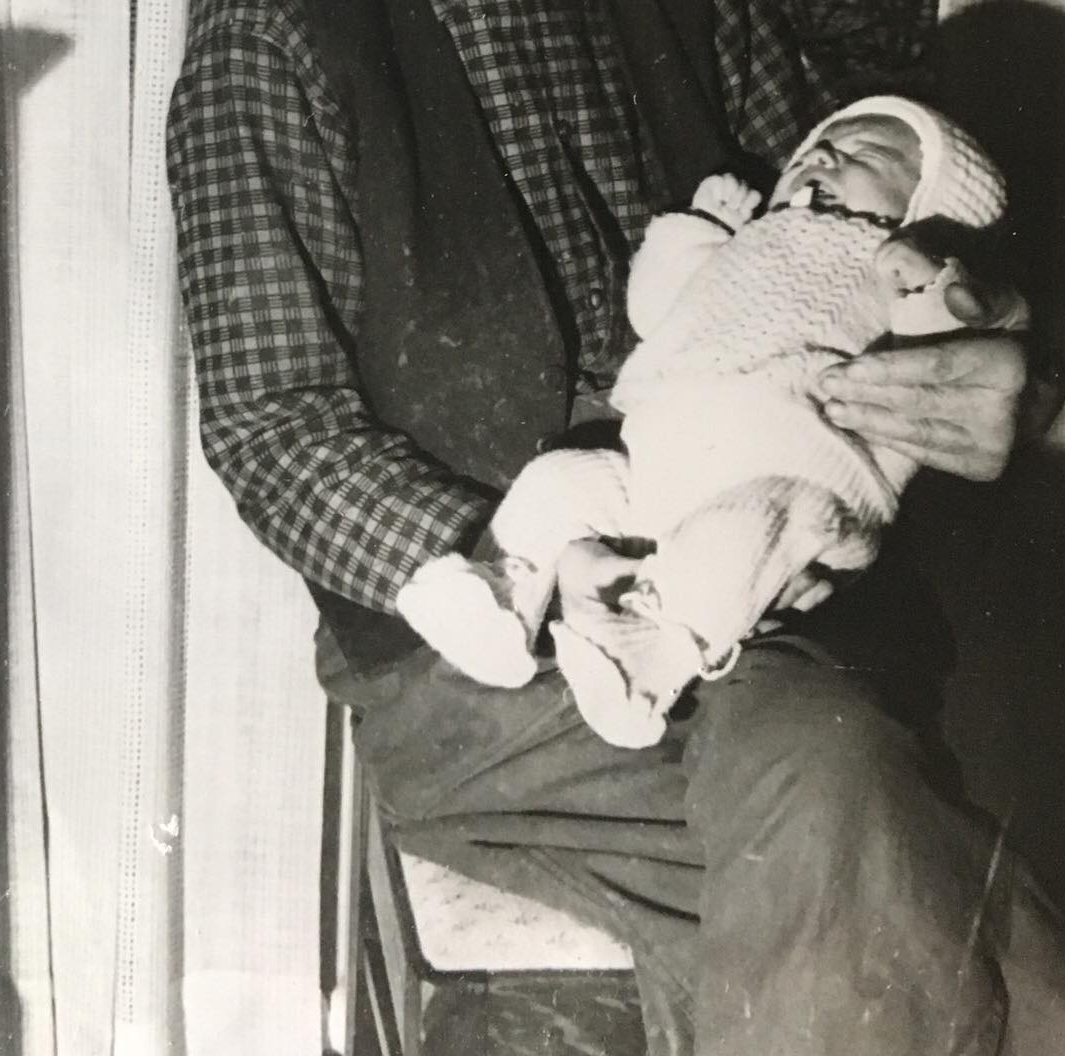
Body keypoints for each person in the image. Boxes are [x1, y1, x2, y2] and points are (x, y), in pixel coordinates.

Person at [166, 0, 1065, 1054]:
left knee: (1001, 957)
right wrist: (503, 565)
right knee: (888, 841)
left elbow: (860, 224)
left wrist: (997, 355)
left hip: (777, 600)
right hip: (505, 662)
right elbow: (273, 427)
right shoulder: (279, 28)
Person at [394, 95, 1029, 751]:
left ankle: (649, 657)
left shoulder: (891, 265)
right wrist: (696, 230)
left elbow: (939, 351)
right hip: (656, 465)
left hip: (800, 480)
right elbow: (654, 307)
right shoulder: (748, 240)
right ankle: (504, 599)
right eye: (817, 146)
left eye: (864, 153)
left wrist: (933, 286)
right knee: (559, 480)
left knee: (746, 532)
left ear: (930, 203)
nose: (821, 154)